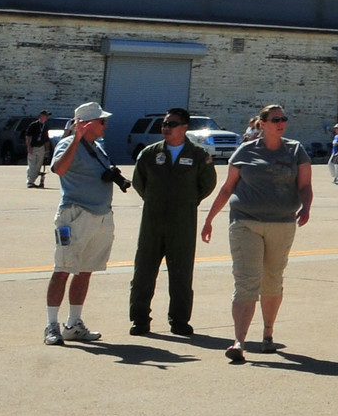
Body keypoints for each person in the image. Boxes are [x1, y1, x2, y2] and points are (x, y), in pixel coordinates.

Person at [202, 103, 312, 364]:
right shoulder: (245, 151)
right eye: (275, 119)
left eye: (283, 118)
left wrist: (306, 206)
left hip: (282, 223)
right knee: (246, 280)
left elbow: (305, 185)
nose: (281, 123)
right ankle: (239, 341)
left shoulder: (296, 150)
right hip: (245, 223)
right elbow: (228, 188)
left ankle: (268, 333)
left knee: (272, 279)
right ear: (262, 124)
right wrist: (209, 219)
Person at [128, 106, 217, 336]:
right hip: (152, 221)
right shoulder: (149, 153)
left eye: (172, 124)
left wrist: (187, 201)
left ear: (185, 127)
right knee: (143, 272)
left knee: (181, 273)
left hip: (182, 222)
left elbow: (207, 184)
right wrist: (155, 200)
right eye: (165, 124)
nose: (166, 128)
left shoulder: (198, 155)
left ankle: (179, 320)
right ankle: (140, 319)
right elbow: (140, 182)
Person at [44, 101, 126, 344]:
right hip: (75, 215)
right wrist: (76, 138)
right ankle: (51, 326)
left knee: (85, 271)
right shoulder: (70, 144)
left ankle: (74, 323)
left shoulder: (97, 146)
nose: (106, 125)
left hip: (100, 216)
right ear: (87, 124)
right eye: (102, 121)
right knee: (62, 270)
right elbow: (58, 169)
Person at [23, 110, 52, 188]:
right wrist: (29, 146)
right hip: (33, 146)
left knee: (38, 165)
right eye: (45, 116)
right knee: (32, 164)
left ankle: (33, 180)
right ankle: (29, 181)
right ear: (41, 116)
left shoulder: (45, 126)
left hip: (41, 147)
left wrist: (47, 150)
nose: (46, 118)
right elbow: (28, 136)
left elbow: (46, 139)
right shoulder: (34, 125)